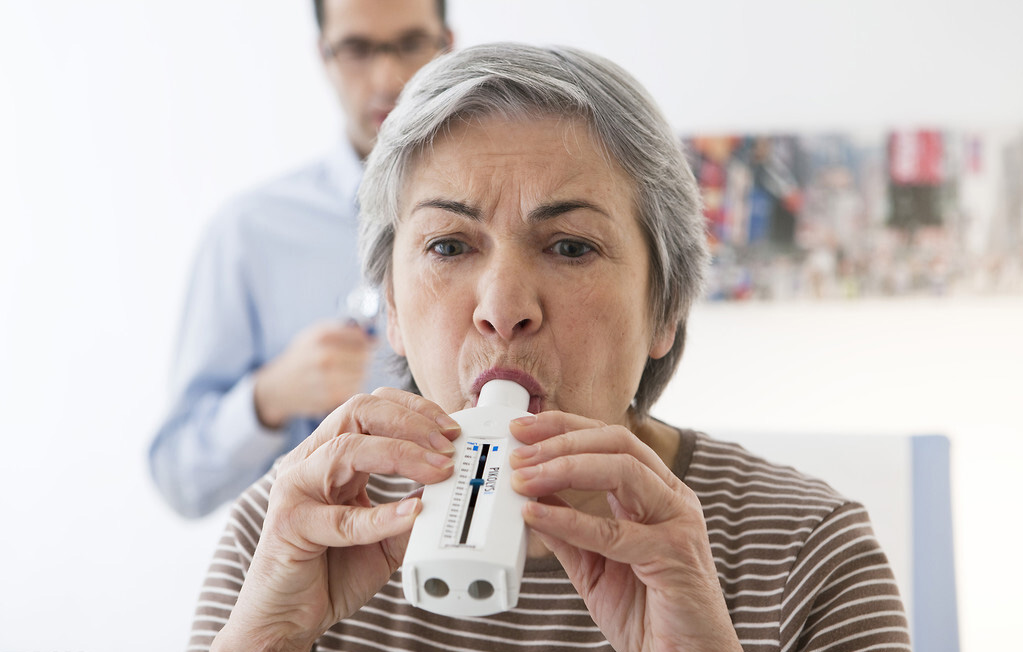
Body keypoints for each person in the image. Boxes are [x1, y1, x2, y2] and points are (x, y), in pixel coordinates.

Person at [189, 43, 911, 651]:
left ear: (665, 309)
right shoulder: (295, 533)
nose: (502, 311)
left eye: (570, 246)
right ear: (393, 312)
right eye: (447, 245)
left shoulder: (808, 553)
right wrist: (272, 633)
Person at [148, 0, 454, 518]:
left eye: (409, 44)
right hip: (324, 585)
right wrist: (266, 399)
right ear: (325, 55)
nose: (388, 77)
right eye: (357, 49)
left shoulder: (515, 217)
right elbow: (179, 480)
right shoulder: (249, 233)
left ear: (446, 44)